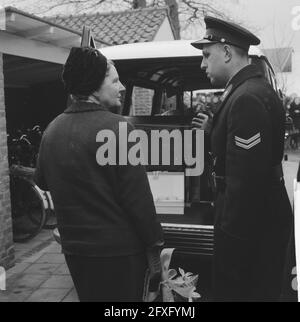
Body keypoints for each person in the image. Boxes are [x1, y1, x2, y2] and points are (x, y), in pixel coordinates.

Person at [34, 47, 164, 302]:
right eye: (115, 80)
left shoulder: (52, 129)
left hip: (75, 252)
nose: (122, 86)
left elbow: (42, 181)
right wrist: (155, 245)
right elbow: (139, 201)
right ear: (94, 86)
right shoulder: (118, 128)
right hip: (120, 254)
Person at [191, 16, 294, 301]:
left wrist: (232, 240)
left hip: (248, 227)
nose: (202, 64)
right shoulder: (245, 90)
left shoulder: (247, 96)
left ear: (226, 52)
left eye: (206, 55)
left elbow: (246, 181)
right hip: (256, 220)